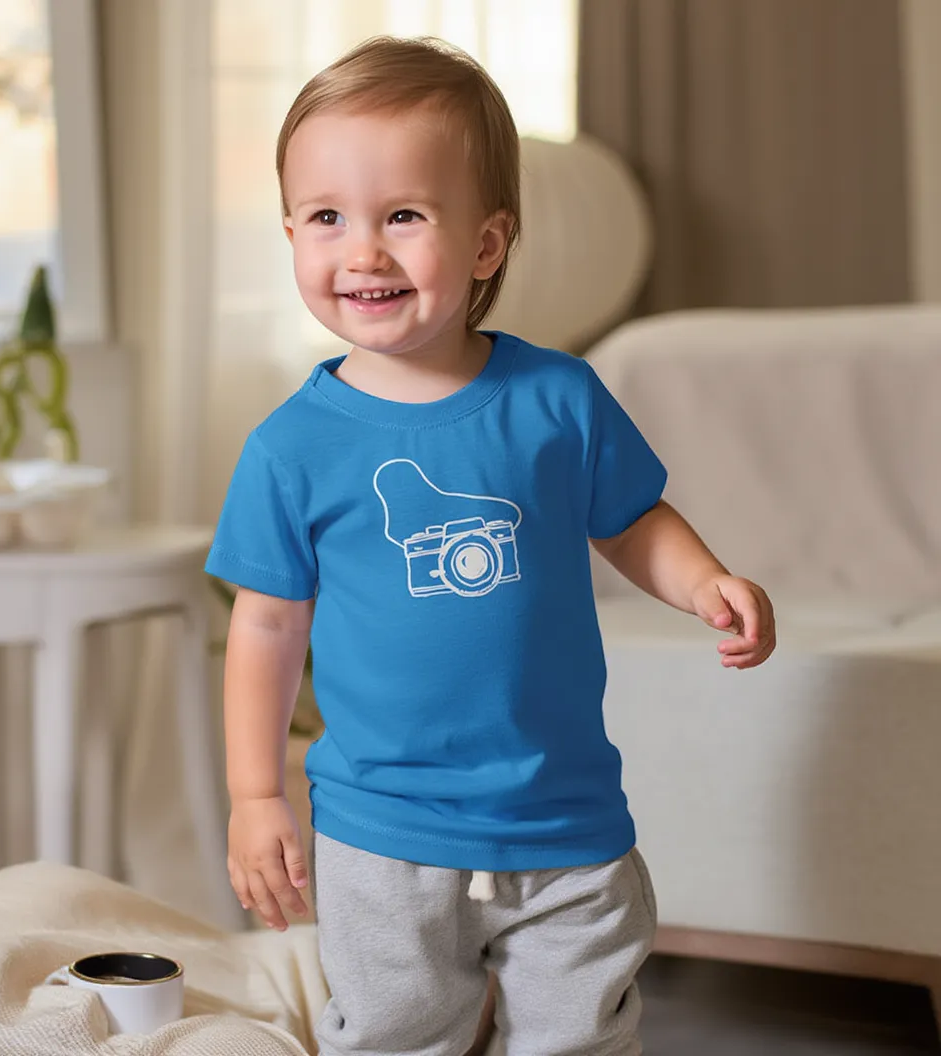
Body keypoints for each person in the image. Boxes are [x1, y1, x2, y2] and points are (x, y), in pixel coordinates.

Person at [206, 35, 776, 1056]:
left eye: (404, 216)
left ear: (485, 244)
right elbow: (266, 629)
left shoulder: (557, 398)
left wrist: (702, 582)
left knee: (577, 1033)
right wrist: (256, 797)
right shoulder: (289, 448)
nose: (363, 252)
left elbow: (629, 519)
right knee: (395, 1034)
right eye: (327, 218)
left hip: (561, 817)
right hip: (381, 829)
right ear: (289, 231)